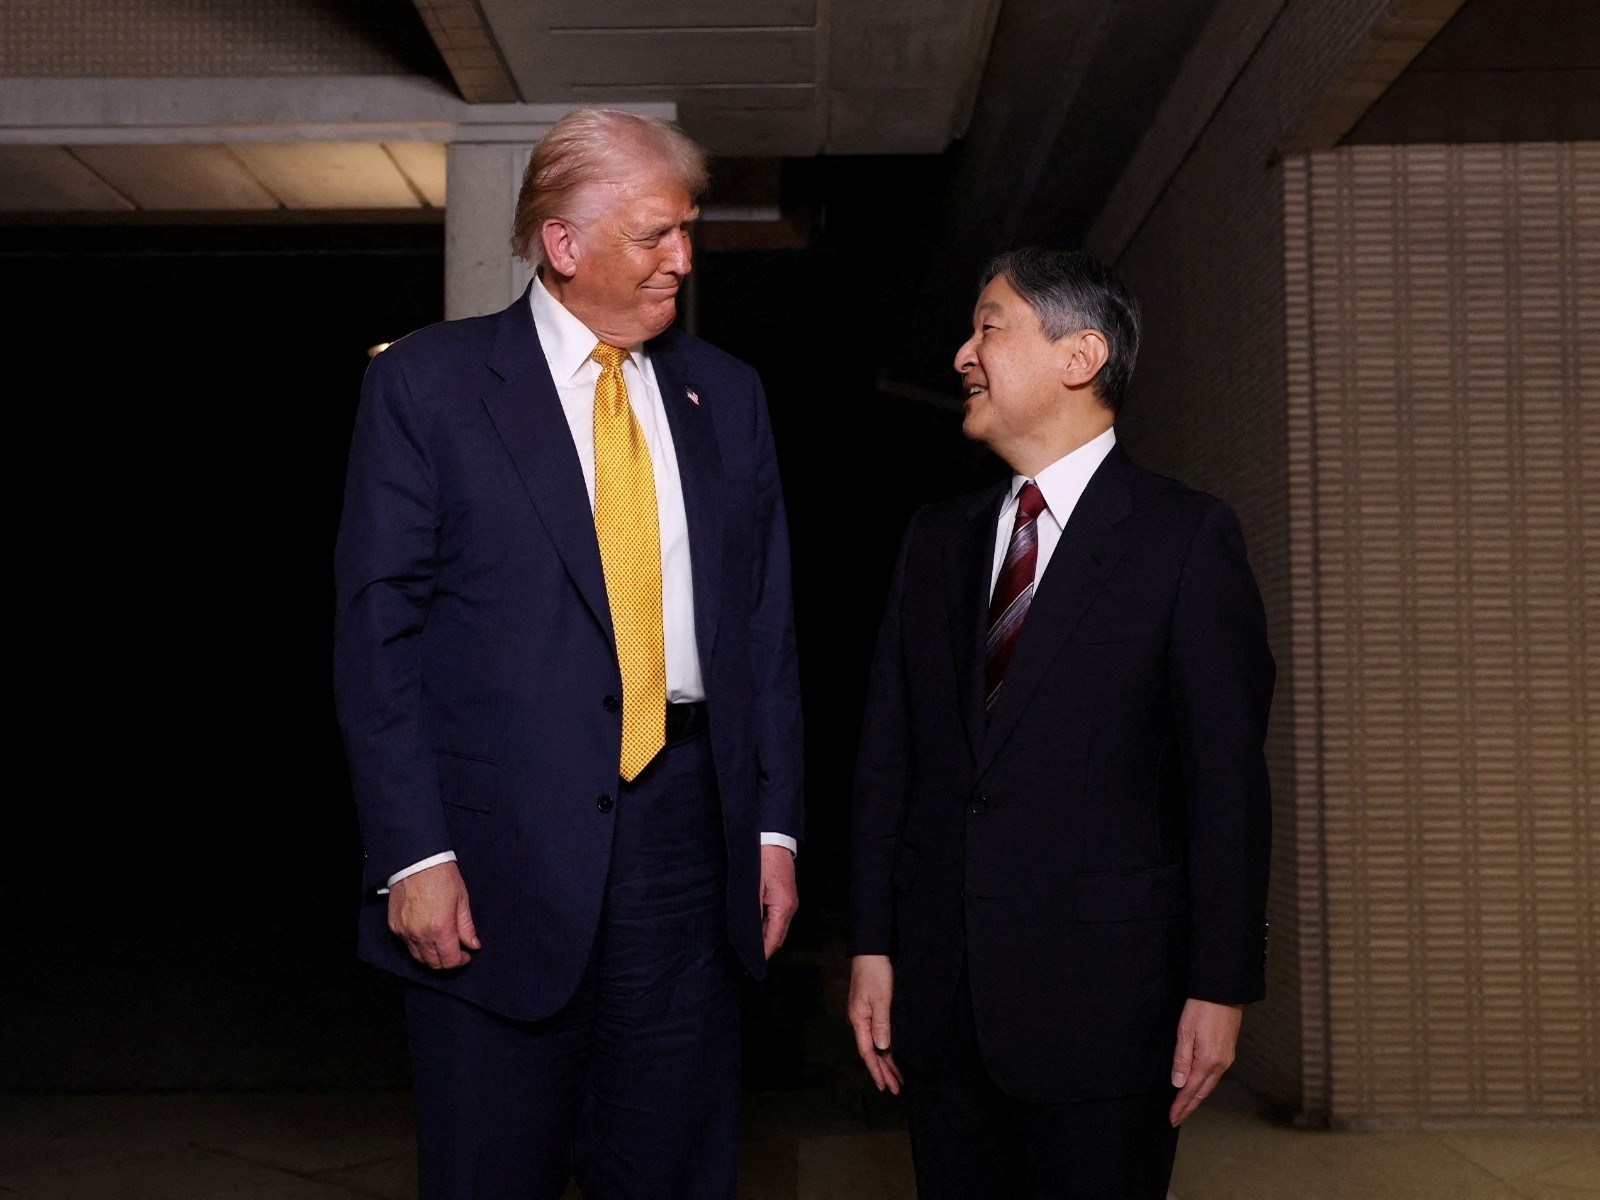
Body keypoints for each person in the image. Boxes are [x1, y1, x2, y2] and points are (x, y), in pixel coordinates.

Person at [333, 108, 804, 1200]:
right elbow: (377, 636)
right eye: (655, 234)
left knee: (675, 1166)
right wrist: (414, 855)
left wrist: (773, 827)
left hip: (689, 846)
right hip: (490, 862)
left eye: (686, 230)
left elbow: (764, 629)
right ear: (564, 243)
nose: (683, 257)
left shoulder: (726, 397)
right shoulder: (429, 388)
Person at [847, 247, 1274, 1198]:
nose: (963, 352)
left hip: (1111, 1016)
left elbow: (1226, 786)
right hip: (942, 1008)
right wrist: (873, 946)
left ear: (1080, 357)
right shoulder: (936, 541)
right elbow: (889, 763)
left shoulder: (1184, 538)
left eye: (989, 326)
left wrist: (1220, 985)